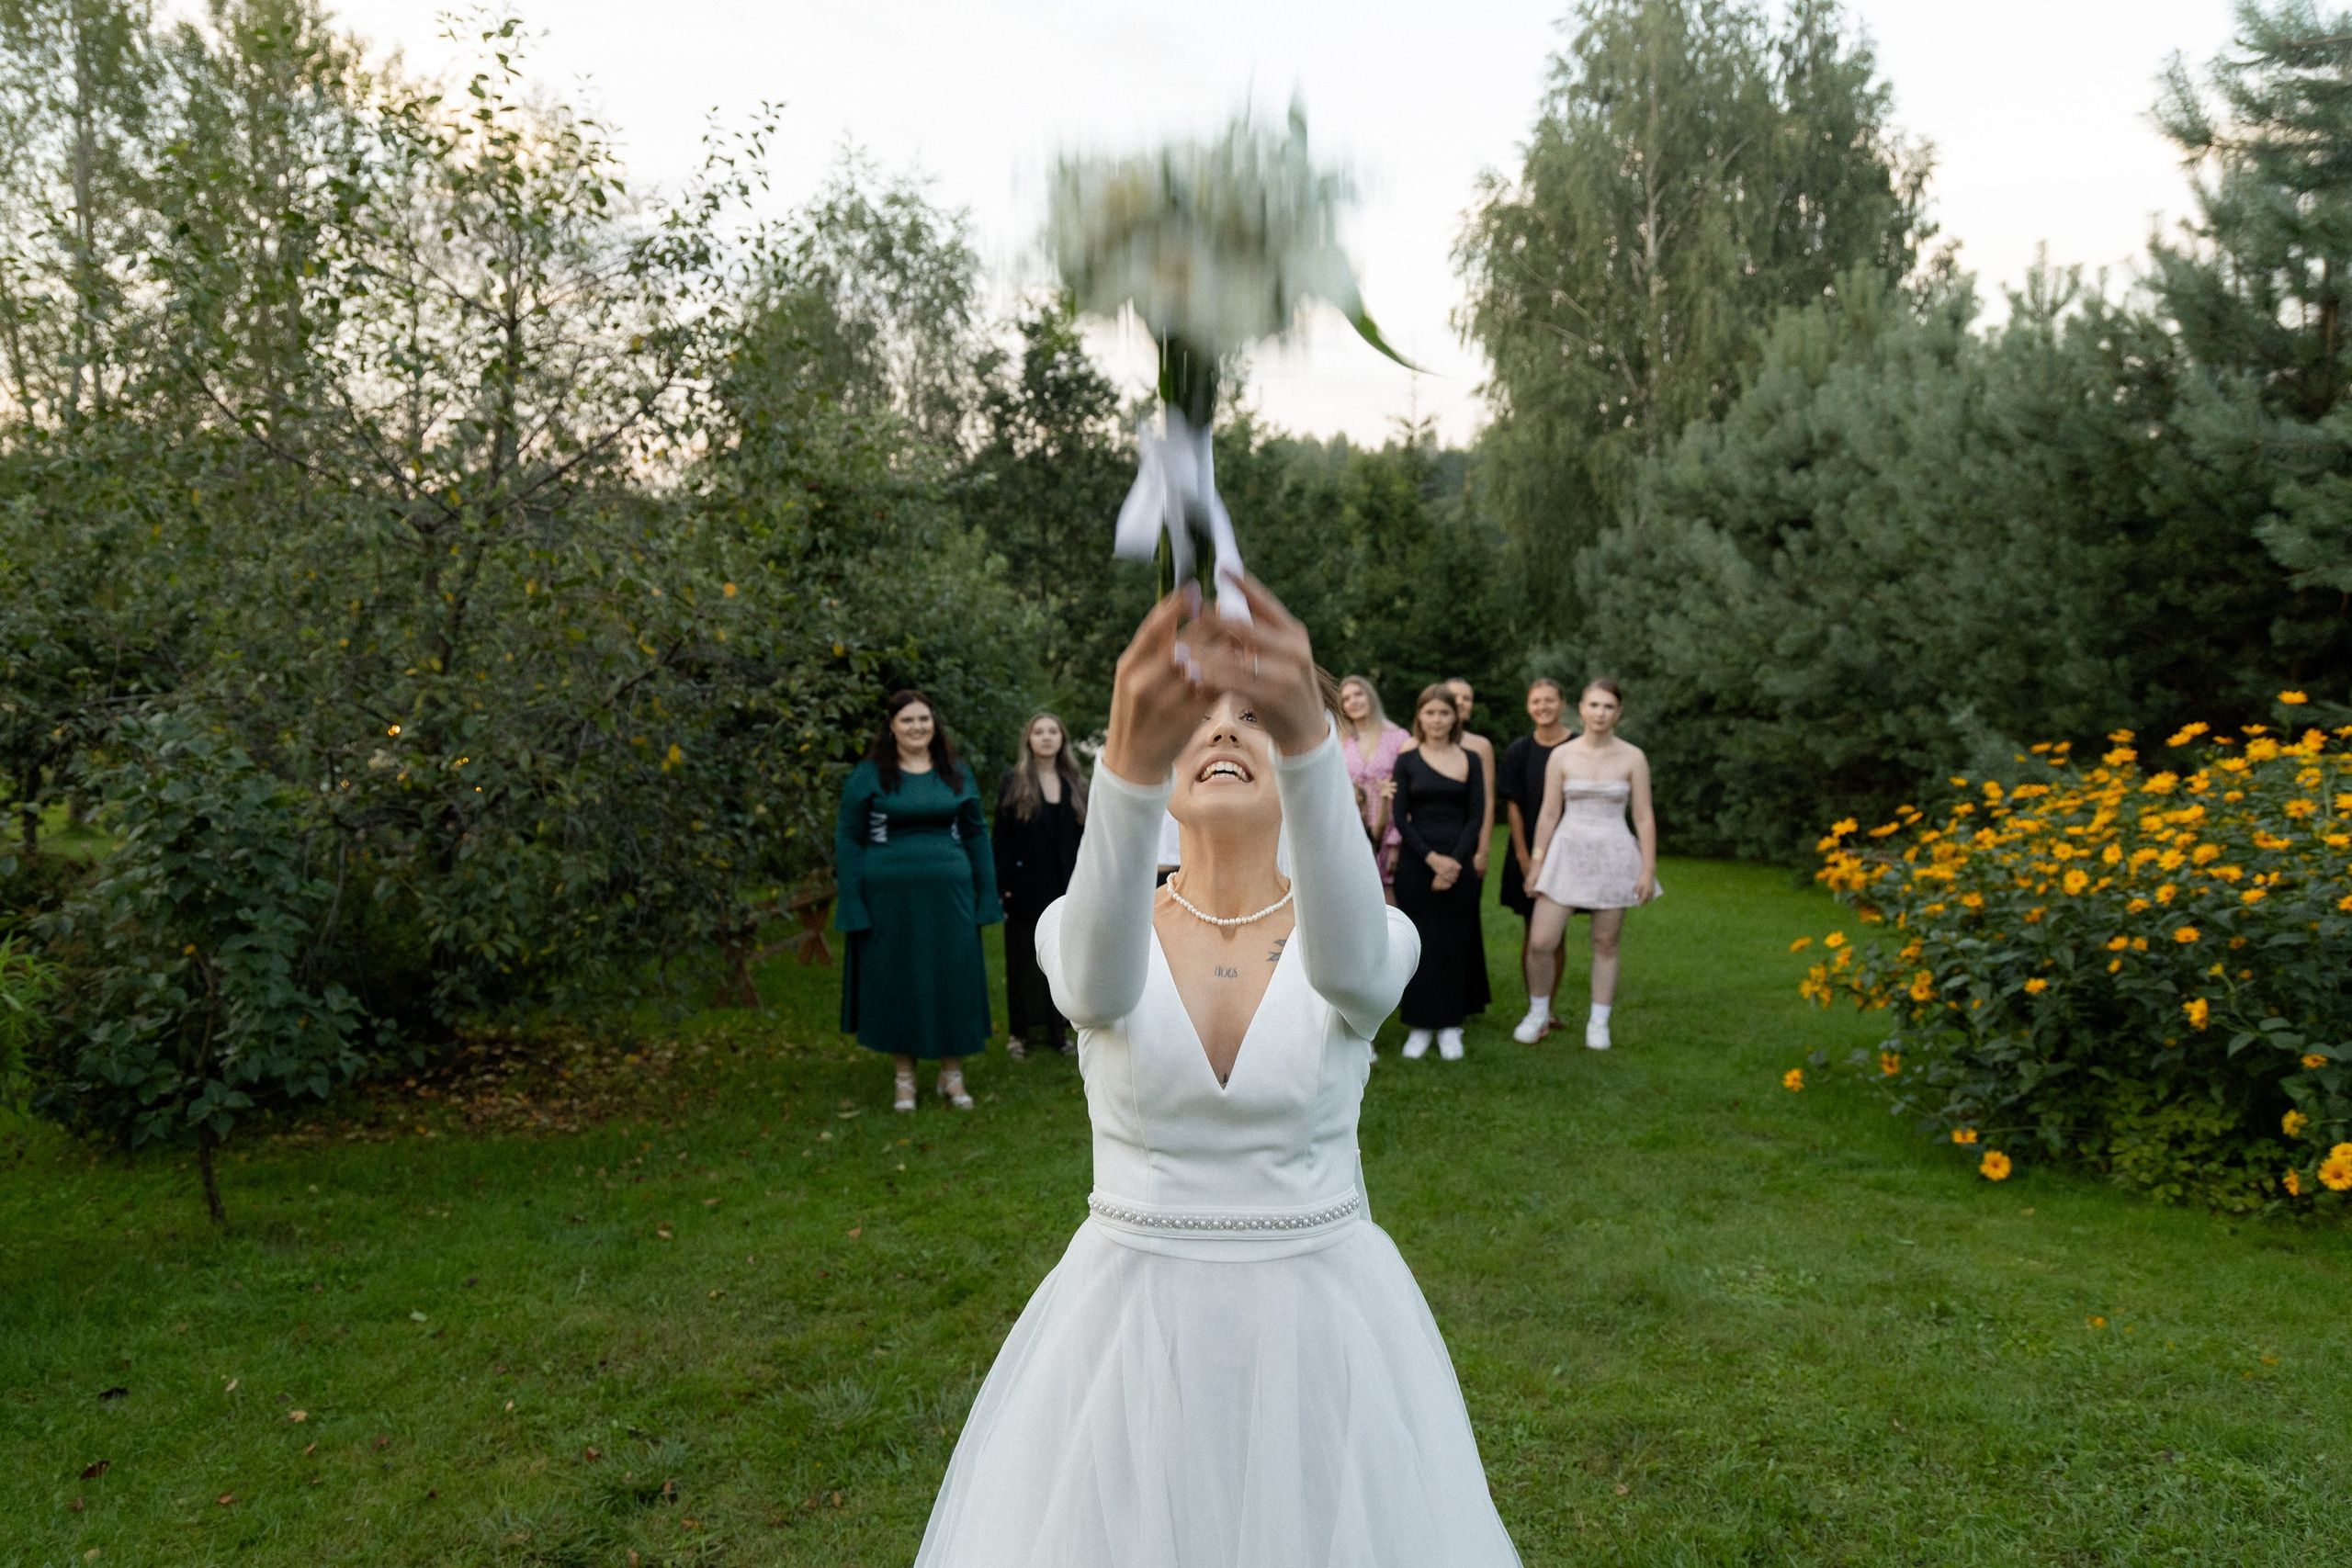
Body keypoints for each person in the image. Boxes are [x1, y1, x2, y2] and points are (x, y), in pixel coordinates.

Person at [911, 580, 1521, 1568]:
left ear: (1303, 761)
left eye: (1256, 719)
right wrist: (1125, 759)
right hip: (1127, 1340)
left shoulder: (1376, 940)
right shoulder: (1083, 928)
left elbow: (1353, 972)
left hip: (1324, 1337)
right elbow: (1099, 986)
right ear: (1155, 761)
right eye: (1199, 719)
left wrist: (1314, 741)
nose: (1225, 732)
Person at [833, 690, 1003, 1111]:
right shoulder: (869, 776)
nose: (916, 728)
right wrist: (852, 902)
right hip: (888, 898)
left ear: (934, 724)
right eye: (907, 721)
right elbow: (849, 838)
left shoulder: (955, 773)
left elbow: (976, 834)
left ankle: (952, 1075)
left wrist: (988, 895)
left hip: (950, 895)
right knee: (898, 980)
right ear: (891, 727)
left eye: (923, 719)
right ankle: (904, 1080)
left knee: (953, 977)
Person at [1512, 678, 1659, 1051]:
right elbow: (1548, 813)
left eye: (1608, 707)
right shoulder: (1562, 755)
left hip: (1614, 853)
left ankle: (1599, 1020)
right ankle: (1538, 1011)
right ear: (1581, 708)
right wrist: (1536, 864)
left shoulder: (1632, 757)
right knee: (1541, 941)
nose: (1600, 713)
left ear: (1619, 713)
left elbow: (1643, 816)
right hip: (1567, 851)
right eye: (1594, 705)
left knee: (1606, 941)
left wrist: (1647, 869)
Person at [1390, 683, 1492, 1060]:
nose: (1436, 720)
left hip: (1459, 860)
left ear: (1456, 717)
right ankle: (1418, 1025)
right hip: (1418, 862)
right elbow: (1400, 816)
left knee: (1453, 941)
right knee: (1420, 942)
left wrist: (1454, 863)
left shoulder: (1471, 758)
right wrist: (1431, 859)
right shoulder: (1407, 759)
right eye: (1430, 712)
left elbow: (1477, 815)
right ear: (1419, 716)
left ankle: (1450, 1025)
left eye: (1444, 713)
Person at [995, 711, 1087, 1060]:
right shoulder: (1013, 783)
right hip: (1024, 888)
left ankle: (1059, 1032)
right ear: (1029, 740)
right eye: (1039, 731)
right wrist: (1004, 887)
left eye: (1053, 731)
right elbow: (1000, 841)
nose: (1046, 737)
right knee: (1022, 962)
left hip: (1068, 887)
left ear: (1062, 739)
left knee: (1064, 959)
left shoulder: (1077, 783)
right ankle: (1019, 1034)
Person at [1498, 678, 1572, 1035]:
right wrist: (1524, 856)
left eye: (1549, 701)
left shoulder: (1577, 746)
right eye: (1535, 701)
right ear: (1528, 707)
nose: (1542, 707)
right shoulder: (1519, 751)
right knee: (1534, 930)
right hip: (1528, 850)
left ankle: (1550, 1008)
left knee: (1559, 934)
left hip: (1571, 852)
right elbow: (1512, 804)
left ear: (1562, 704)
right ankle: (1536, 1008)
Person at [1337, 674, 1410, 904]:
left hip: (1391, 831)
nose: (1354, 701)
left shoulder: (1398, 737)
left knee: (1389, 902)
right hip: (1353, 833)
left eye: (1358, 694)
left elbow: (1405, 791)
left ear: (1370, 696)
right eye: (1347, 698)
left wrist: (1396, 842)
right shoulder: (1340, 741)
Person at [1444, 677, 1498, 880]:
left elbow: (1488, 801)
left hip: (1467, 840)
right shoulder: (1414, 746)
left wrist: (1483, 851)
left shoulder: (1481, 747)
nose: (1460, 702)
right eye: (1454, 696)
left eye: (1466, 698)